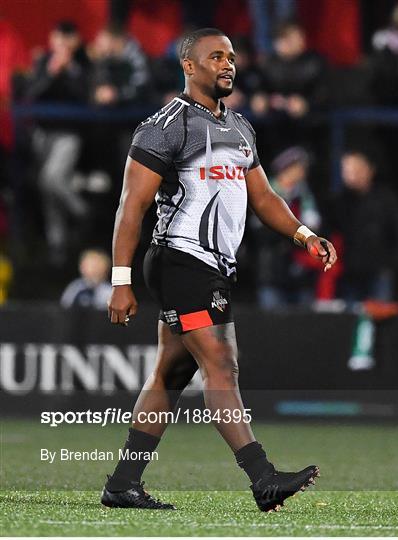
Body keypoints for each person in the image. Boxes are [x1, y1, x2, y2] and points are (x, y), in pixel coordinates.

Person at [103, 28, 337, 512]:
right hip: (180, 258)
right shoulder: (165, 125)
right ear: (189, 66)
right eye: (216, 56)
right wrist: (120, 281)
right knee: (221, 363)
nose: (228, 64)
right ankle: (262, 477)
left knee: (171, 373)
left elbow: (265, 198)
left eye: (231, 57)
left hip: (211, 265)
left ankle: (123, 483)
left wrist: (304, 235)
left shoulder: (240, 127)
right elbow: (132, 205)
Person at [26, 21, 90, 266]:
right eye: (58, 39)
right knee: (48, 191)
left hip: (69, 133)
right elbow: (31, 95)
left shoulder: (83, 64)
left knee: (51, 179)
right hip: (43, 133)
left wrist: (70, 70)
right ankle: (57, 243)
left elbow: (85, 97)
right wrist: (52, 72)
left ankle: (84, 213)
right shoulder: (43, 63)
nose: (62, 44)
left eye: (67, 39)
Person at [331, 150, 398, 303]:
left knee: (380, 319)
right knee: (351, 321)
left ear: (370, 170)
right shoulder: (340, 202)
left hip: (379, 272)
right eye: (347, 170)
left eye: (357, 169)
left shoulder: (386, 199)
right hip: (350, 274)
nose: (351, 175)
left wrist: (391, 264)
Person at [252, 146, 322, 308]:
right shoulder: (265, 194)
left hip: (300, 273)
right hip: (271, 272)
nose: (302, 172)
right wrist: (293, 230)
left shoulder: (305, 196)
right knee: (273, 326)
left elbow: (315, 230)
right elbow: (260, 232)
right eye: (297, 168)